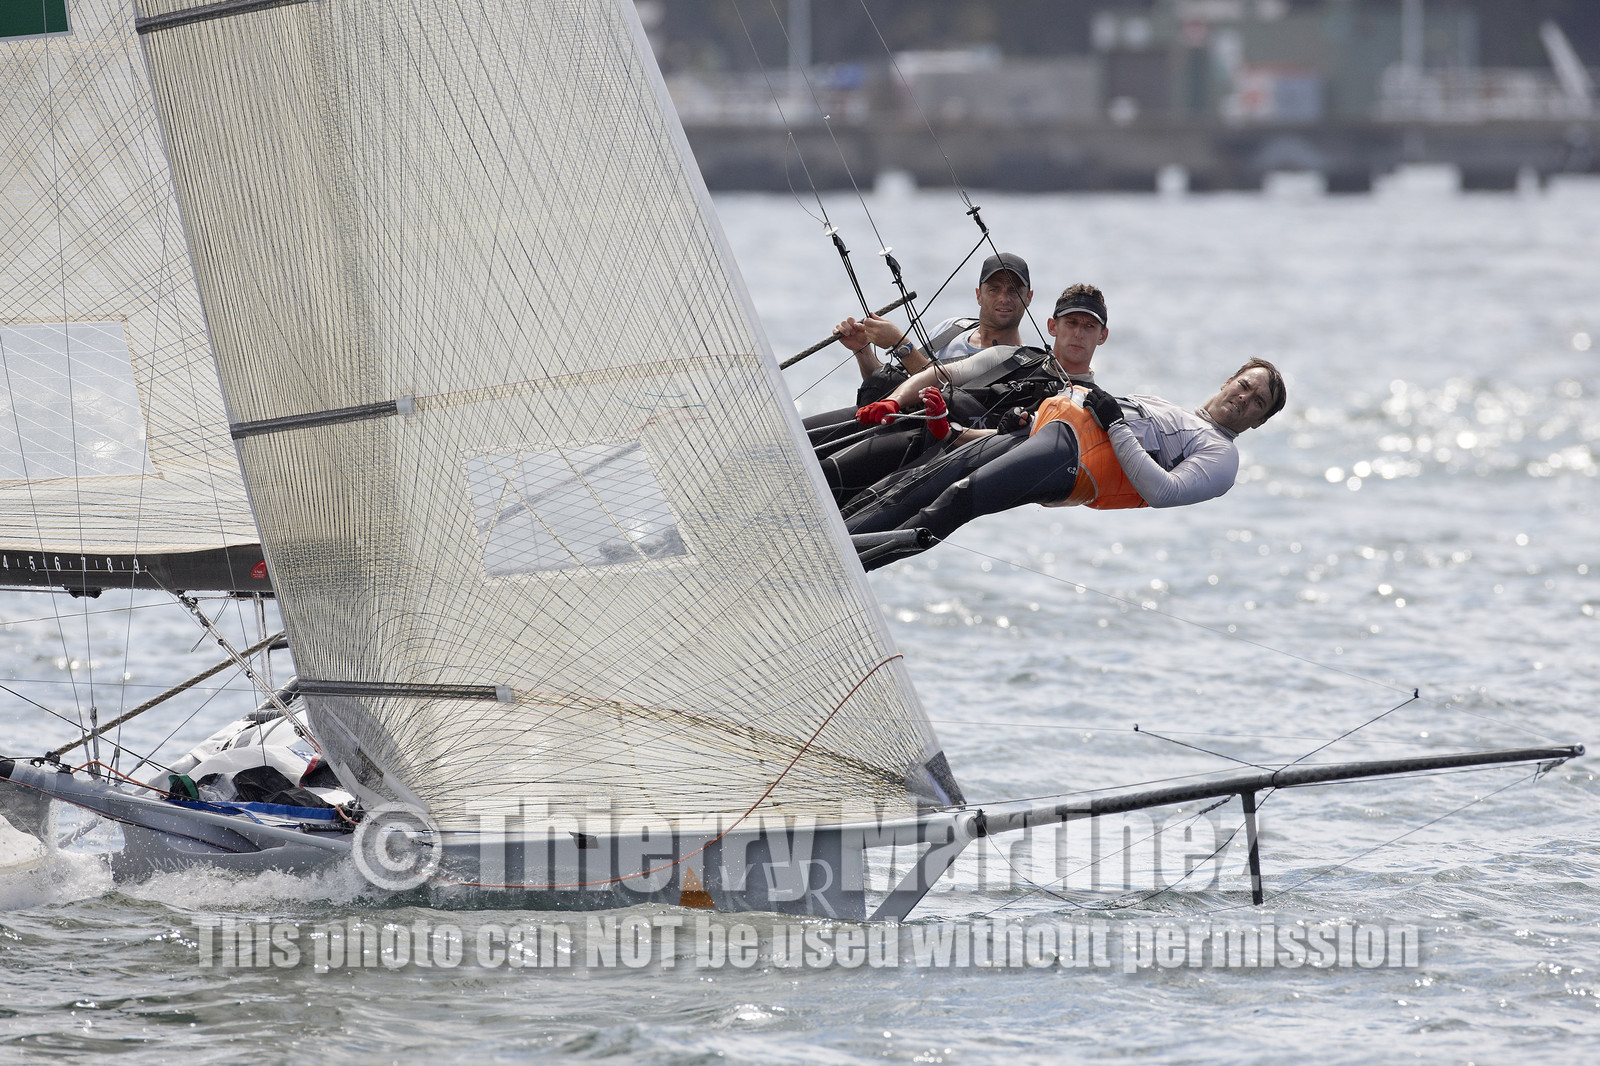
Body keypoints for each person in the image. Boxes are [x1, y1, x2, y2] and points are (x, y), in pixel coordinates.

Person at [844, 358, 1287, 570]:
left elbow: (1163, 491)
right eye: (1245, 386)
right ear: (1229, 379)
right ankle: (837, 539)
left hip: (1074, 458)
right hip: (1049, 432)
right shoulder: (1174, 410)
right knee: (925, 480)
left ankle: (847, 566)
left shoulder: (1222, 455)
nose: (1244, 398)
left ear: (1259, 421)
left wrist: (1115, 423)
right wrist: (1027, 420)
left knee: (956, 499)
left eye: (1257, 402)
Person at [812, 285, 1110, 507]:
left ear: (1102, 335)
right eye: (1071, 323)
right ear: (1052, 326)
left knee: (826, 477)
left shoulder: (1086, 403)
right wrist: (895, 401)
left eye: (1089, 326)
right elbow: (941, 374)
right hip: (912, 421)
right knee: (795, 443)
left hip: (943, 454)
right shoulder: (1012, 355)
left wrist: (952, 431)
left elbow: (1022, 444)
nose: (1079, 334)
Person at [833, 252, 1033, 406]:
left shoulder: (1020, 364)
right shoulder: (952, 328)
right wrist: (862, 350)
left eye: (1014, 291)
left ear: (1029, 297)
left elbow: (945, 393)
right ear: (978, 295)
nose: (1004, 299)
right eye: (994, 289)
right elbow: (889, 386)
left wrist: (901, 345)